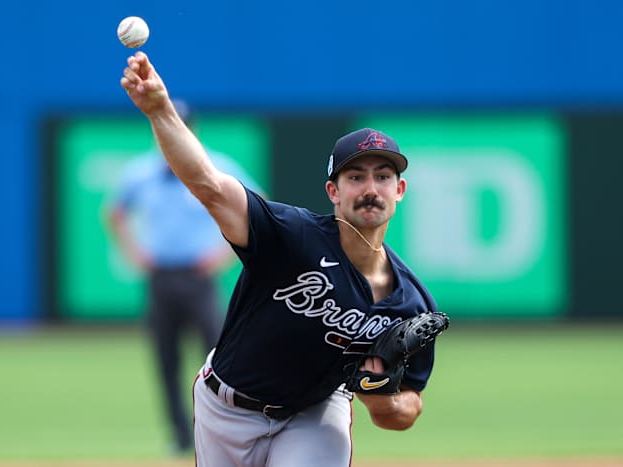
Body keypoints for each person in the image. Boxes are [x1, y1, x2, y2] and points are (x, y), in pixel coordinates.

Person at [120, 51, 445, 466]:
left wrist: (378, 394)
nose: (370, 188)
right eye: (355, 176)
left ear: (399, 191)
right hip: (226, 409)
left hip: (314, 414)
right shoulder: (291, 236)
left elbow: (404, 410)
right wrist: (161, 109)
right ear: (334, 192)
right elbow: (209, 186)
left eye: (383, 176)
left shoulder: (409, 303)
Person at [106, 99, 260, 454]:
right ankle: (180, 436)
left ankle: (227, 432)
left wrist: (223, 256)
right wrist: (134, 252)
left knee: (221, 357)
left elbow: (258, 206)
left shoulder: (215, 166)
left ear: (192, 131)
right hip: (160, 275)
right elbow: (114, 211)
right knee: (166, 360)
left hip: (199, 276)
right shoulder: (142, 172)